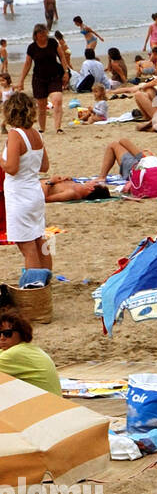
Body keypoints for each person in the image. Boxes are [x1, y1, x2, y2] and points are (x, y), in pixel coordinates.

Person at [0, 92, 50, 276]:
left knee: (27, 246)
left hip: (19, 195)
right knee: (40, 240)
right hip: (34, 192)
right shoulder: (36, 134)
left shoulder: (15, 134)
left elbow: (11, 168)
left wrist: (1, 160)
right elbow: (44, 166)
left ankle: (35, 285)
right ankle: (46, 280)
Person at [15, 24, 64, 134]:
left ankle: (58, 128)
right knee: (42, 106)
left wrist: (66, 72)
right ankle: (42, 129)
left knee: (57, 99)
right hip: (39, 79)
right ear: (36, 35)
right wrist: (21, 80)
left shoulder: (52, 43)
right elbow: (27, 64)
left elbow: (62, 56)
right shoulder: (32, 47)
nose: (44, 36)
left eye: (45, 33)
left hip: (54, 77)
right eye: (41, 34)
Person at [0, 310, 59, 395]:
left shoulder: (14, 353)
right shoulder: (28, 348)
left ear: (21, 332)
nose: (2, 338)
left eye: (7, 333)